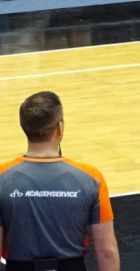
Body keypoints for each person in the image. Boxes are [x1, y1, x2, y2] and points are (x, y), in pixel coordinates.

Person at [0, 91, 120, 271]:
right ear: (59, 128)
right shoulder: (91, 178)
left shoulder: (2, 177)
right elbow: (107, 251)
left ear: (24, 127)